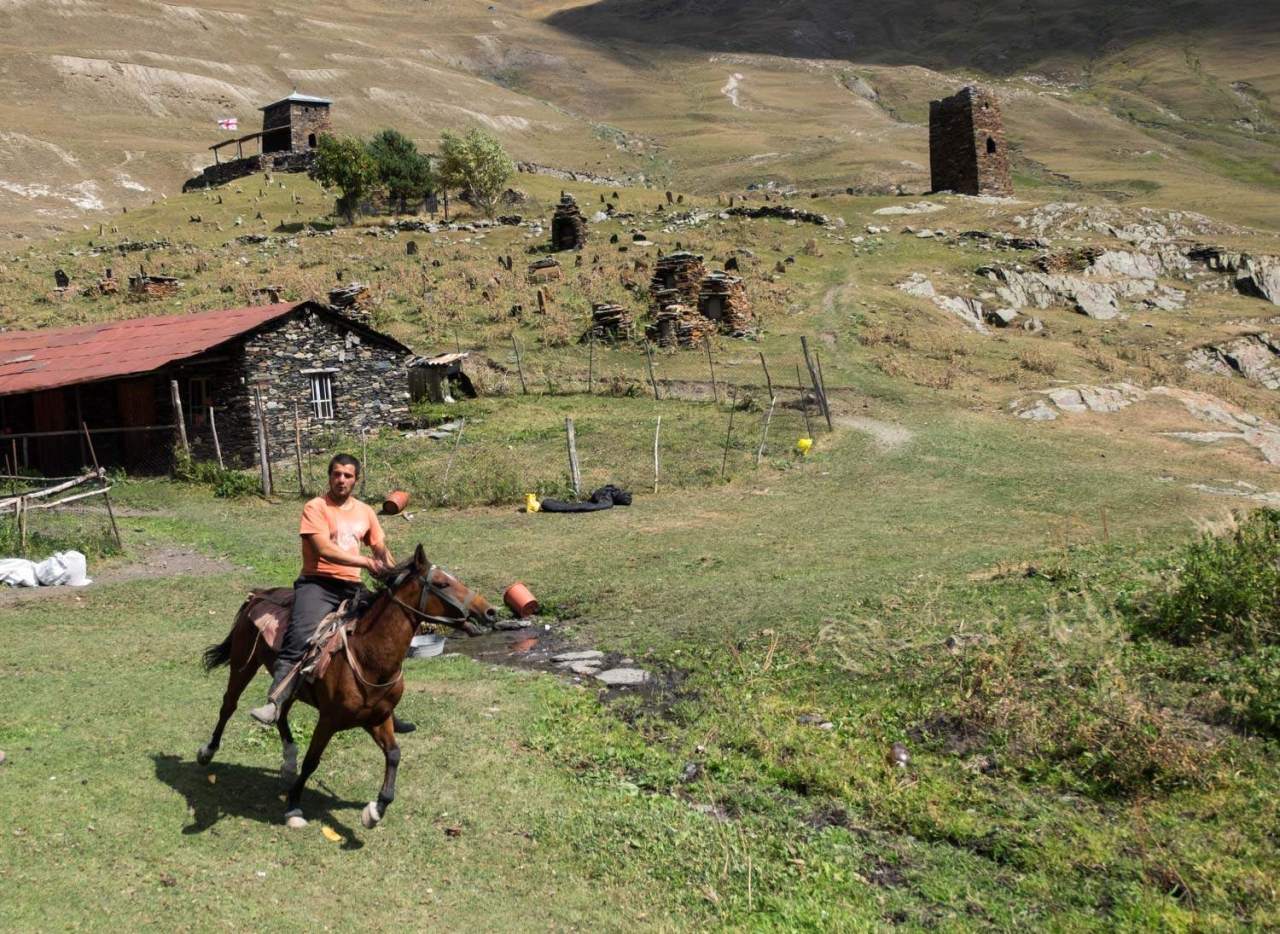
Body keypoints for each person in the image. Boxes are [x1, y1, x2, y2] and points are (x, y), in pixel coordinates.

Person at [249, 453, 395, 727]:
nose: (341, 480)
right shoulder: (315, 507)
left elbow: (379, 547)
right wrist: (365, 562)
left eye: (348, 475)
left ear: (356, 480)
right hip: (318, 584)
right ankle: (275, 702)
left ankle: (386, 708)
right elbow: (323, 549)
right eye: (337, 474)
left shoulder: (365, 512)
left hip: (352, 587)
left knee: (383, 631)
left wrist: (394, 572)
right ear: (329, 477)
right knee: (300, 635)